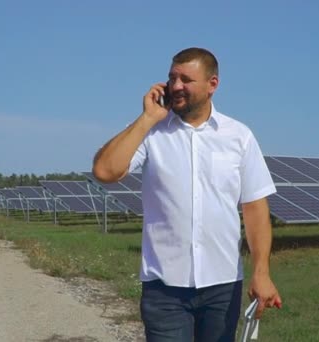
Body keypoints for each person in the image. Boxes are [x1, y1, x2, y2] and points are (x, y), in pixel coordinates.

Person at [92, 47, 281, 342]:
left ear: (212, 84)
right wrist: (146, 118)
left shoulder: (239, 136)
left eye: (186, 79)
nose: (176, 86)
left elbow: (255, 208)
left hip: (222, 286)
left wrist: (262, 272)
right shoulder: (151, 132)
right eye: (172, 78)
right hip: (164, 288)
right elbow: (105, 171)